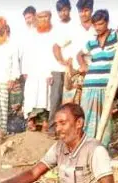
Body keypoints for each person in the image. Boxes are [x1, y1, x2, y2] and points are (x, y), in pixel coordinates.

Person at [77, 10, 118, 147]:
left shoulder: (116, 37)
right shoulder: (91, 41)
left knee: (104, 117)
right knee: (87, 117)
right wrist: (83, 65)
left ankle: (102, 147)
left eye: (101, 24)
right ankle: (86, 145)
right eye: (96, 25)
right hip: (90, 84)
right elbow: (79, 54)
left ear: (107, 22)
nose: (98, 27)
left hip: (106, 85)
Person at [22, 10, 58, 132]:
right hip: (32, 70)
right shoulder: (31, 34)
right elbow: (25, 53)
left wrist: (50, 72)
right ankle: (31, 121)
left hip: (45, 70)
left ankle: (44, 122)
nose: (43, 20)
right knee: (31, 95)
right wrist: (25, 70)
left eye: (46, 17)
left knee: (45, 96)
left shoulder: (52, 34)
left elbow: (53, 54)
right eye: (41, 17)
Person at [50, 0, 75, 134]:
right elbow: (55, 47)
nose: (63, 13)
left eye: (65, 10)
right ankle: (52, 128)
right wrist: (61, 61)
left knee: (69, 101)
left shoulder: (75, 25)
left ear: (70, 9)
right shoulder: (56, 28)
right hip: (58, 67)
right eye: (60, 11)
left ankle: (68, 129)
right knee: (55, 99)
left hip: (73, 68)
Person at [65, 0, 96, 103]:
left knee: (90, 103)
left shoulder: (97, 27)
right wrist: (67, 66)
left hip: (92, 71)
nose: (83, 14)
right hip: (75, 73)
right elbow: (58, 45)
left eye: (86, 10)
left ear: (91, 10)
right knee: (72, 107)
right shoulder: (73, 28)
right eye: (81, 11)